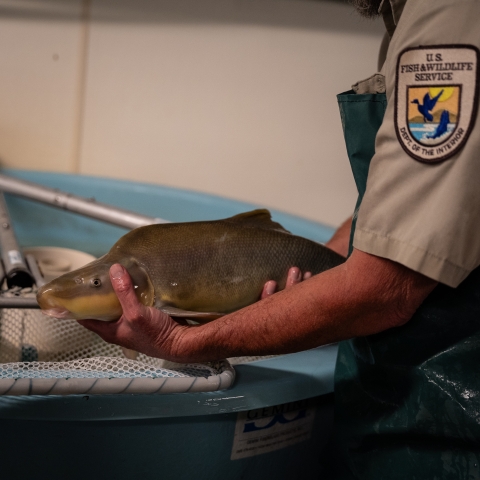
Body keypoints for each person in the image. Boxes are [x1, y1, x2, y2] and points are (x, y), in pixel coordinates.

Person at [79, 0, 480, 478]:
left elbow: (384, 291)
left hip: (448, 426)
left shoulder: (450, 20)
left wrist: (185, 343)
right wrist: (323, 262)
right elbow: (411, 201)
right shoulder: (405, 16)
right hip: (388, 398)